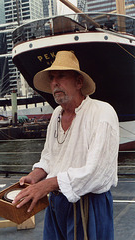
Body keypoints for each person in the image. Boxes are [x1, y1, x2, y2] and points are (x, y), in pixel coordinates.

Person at [13, 51, 119, 240]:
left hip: (88, 204)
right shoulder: (56, 115)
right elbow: (50, 156)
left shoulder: (102, 113)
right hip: (57, 202)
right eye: (52, 78)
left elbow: (96, 172)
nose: (55, 82)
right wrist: (34, 177)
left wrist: (46, 185)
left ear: (79, 82)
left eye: (61, 76)